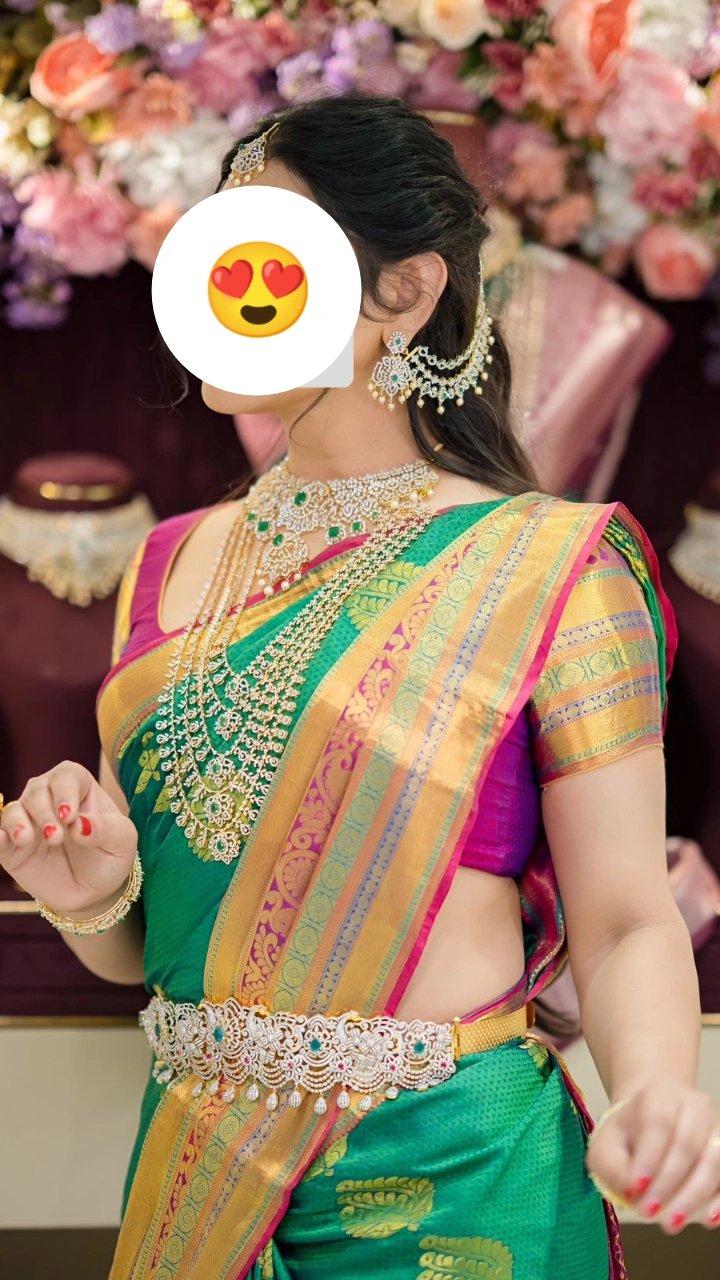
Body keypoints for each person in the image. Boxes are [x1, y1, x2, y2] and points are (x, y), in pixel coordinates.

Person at [1, 95, 718, 1280]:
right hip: (197, 1182)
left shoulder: (548, 565)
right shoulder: (167, 564)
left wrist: (655, 1090)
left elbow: (628, 916)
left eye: (265, 253)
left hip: (457, 1188)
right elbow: (157, 944)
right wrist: (91, 896)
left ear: (406, 292)